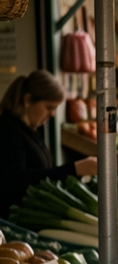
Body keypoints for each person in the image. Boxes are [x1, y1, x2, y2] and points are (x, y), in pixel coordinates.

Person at [0, 70, 97, 219]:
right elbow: (17, 181)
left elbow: (44, 172)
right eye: (49, 107)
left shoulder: (30, 131)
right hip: (14, 220)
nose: (52, 114)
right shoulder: (8, 131)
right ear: (28, 100)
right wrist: (73, 169)